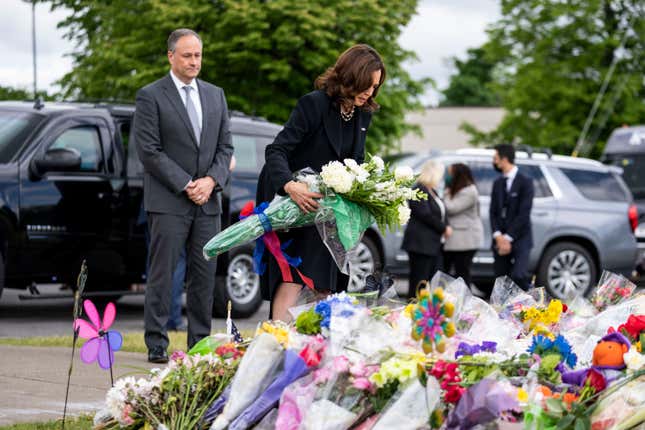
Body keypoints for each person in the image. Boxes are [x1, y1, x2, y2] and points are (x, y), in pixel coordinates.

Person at [256, 44, 386, 322]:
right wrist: (291, 186)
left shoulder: (363, 115)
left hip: (329, 209)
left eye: (376, 87)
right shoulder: (313, 104)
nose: (371, 92)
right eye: (368, 84)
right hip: (293, 202)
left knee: (327, 277)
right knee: (294, 274)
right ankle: (277, 341)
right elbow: (276, 151)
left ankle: (317, 347)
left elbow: (355, 164)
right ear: (353, 75)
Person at [133, 28, 234, 363]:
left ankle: (199, 344)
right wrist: (188, 183)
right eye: (187, 55)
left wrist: (210, 182)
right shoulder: (151, 95)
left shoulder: (215, 95)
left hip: (208, 202)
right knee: (162, 274)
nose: (194, 61)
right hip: (169, 202)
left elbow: (225, 148)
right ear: (171, 56)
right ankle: (157, 343)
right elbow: (149, 151)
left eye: (198, 55)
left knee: (204, 277)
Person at [401, 160, 452, 299]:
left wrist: (446, 225)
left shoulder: (433, 191)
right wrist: (443, 228)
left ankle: (428, 311)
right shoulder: (419, 189)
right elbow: (425, 214)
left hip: (434, 245)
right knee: (419, 281)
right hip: (420, 244)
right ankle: (413, 309)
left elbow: (441, 211)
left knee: (434, 281)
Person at [490, 144, 534, 291]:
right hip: (500, 237)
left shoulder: (526, 182)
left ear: (504, 159)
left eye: (495, 158)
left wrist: (507, 238)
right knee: (502, 279)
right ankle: (505, 310)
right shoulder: (497, 183)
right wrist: (498, 236)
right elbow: (493, 212)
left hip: (520, 237)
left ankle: (531, 301)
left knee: (519, 275)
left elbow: (524, 213)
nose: (494, 162)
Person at [443, 163, 483, 288]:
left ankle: (465, 301)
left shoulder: (470, 191)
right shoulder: (458, 190)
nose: (447, 177)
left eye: (450, 174)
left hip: (466, 240)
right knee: (452, 272)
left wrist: (445, 193)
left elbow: (451, 208)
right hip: (457, 239)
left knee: (462, 272)